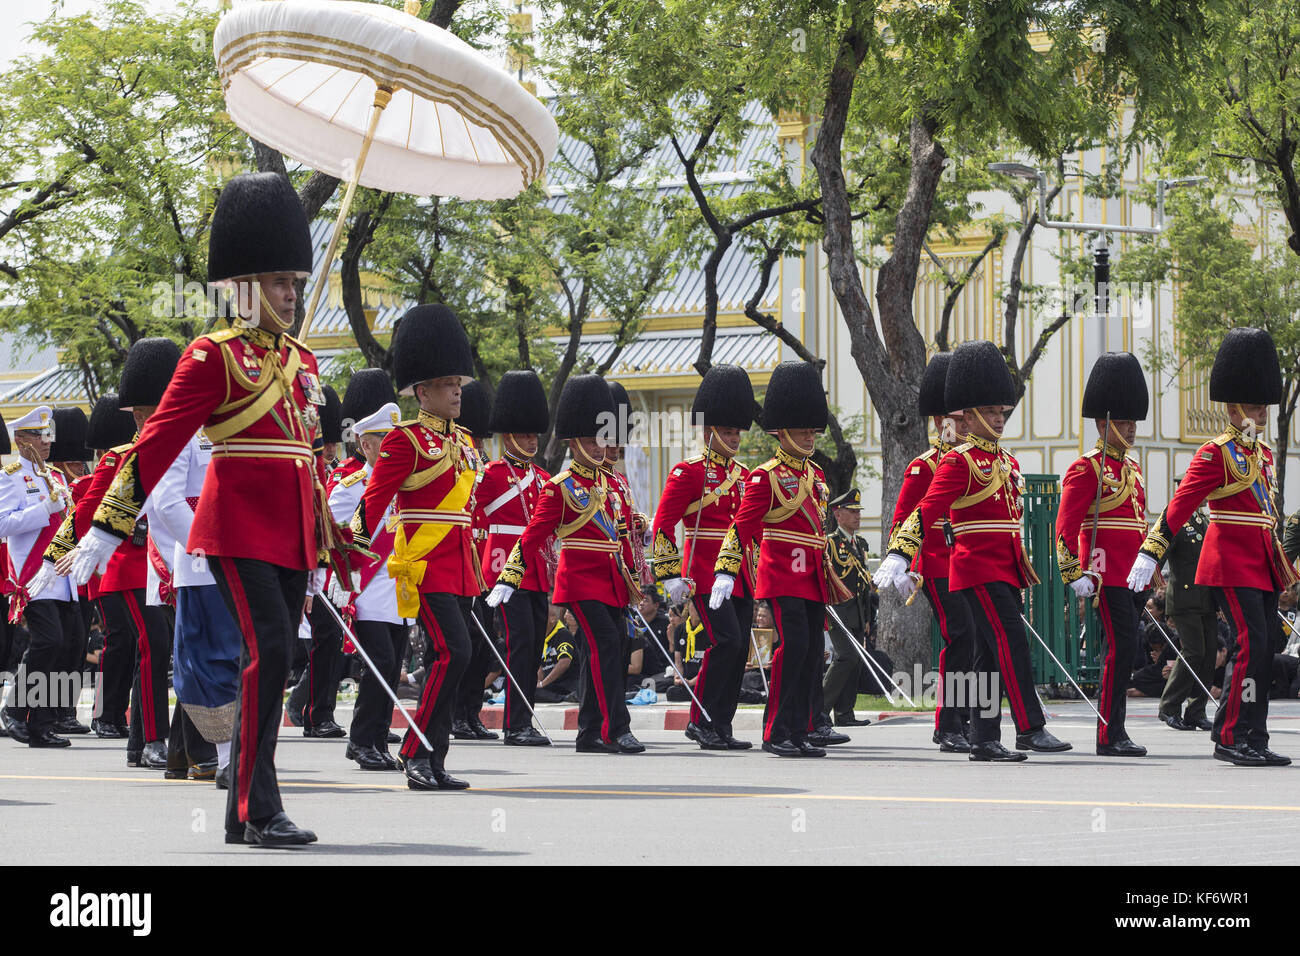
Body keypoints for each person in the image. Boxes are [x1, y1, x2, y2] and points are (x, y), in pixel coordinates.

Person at [66, 172, 339, 846]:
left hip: (289, 537)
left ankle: (243, 810)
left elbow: (306, 463)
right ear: (243, 285)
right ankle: (258, 806)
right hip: (237, 530)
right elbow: (156, 444)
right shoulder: (212, 356)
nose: (290, 292)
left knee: (277, 661)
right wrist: (107, 524)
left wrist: (319, 551)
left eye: (293, 281)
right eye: (277, 280)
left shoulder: (302, 362)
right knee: (267, 652)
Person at [877, 340, 1072, 761]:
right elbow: (924, 510)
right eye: (993, 412)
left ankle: (984, 737)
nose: (1000, 419)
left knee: (984, 654)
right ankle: (1029, 727)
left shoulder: (1006, 462)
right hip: (975, 566)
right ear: (969, 414)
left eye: (1003, 412)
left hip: (1004, 566)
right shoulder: (957, 462)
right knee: (1009, 641)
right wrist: (900, 552)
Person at [1129, 327, 1297, 766]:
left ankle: (1253, 732)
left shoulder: (1260, 456)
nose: (1260, 413)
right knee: (1248, 644)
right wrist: (1151, 551)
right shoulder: (1214, 453)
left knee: (1264, 649)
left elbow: (1267, 517)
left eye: (1263, 405)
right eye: (1255, 405)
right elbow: (1180, 505)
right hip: (1229, 563)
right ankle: (1229, 734)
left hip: (1259, 563)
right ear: (1234, 405)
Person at [352, 304, 482, 791]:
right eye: (447, 384)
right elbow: (374, 499)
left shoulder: (467, 442)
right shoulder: (405, 441)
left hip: (460, 565)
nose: (456, 392)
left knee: (457, 657)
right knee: (454, 652)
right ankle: (417, 751)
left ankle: (434, 757)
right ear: (422, 391)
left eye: (459, 384)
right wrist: (351, 552)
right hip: (423, 565)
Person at [488, 374, 645, 755]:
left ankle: (590, 731)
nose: (599, 445)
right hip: (578, 581)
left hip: (611, 581)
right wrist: (509, 576)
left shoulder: (612, 486)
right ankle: (614, 728)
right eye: (592, 439)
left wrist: (635, 563)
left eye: (601, 438)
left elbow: (621, 535)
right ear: (574, 441)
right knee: (606, 644)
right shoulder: (559, 486)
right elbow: (533, 535)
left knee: (614, 645)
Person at [710, 361, 844, 758]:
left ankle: (800, 727)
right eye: (803, 430)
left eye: (812, 430)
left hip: (813, 576)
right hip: (782, 573)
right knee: (795, 646)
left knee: (810, 653)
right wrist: (725, 569)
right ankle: (776, 730)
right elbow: (742, 526)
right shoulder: (764, 476)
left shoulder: (818, 476)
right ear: (782, 431)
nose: (809, 436)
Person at [651, 364, 757, 749]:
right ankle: (700, 719)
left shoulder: (745, 476)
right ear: (710, 431)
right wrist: (668, 575)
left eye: (736, 431)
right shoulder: (688, 473)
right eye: (728, 431)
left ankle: (722, 725)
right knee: (724, 642)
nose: (734, 438)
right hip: (703, 575)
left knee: (739, 646)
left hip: (739, 572)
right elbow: (662, 525)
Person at [1055, 352, 1150, 757]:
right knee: (1122, 648)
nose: (1130, 428)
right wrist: (1077, 571)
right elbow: (1066, 525)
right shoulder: (1086, 469)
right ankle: (1110, 733)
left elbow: (1139, 524)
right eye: (1123, 421)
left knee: (1127, 649)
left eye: (1132, 421)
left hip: (1135, 575)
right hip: (1107, 575)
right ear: (1103, 423)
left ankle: (1115, 730)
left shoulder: (1133, 469)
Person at [890, 352, 973, 752]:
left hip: (968, 563)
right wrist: (904, 563)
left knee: (975, 640)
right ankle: (948, 722)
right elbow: (904, 518)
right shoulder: (925, 467)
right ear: (939, 422)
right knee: (959, 635)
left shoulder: (975, 462)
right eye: (950, 419)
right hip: (937, 563)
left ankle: (969, 715)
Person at [475, 370, 552, 745]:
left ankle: (524, 717)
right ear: (508, 436)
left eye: (533, 434)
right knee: (518, 642)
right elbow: (473, 521)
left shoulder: (542, 477)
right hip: (503, 569)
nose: (530, 440)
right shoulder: (490, 475)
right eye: (523, 434)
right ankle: (515, 724)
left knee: (534, 646)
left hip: (536, 570)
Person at [330, 399, 406, 771]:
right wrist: (341, 583)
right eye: (385, 439)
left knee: (391, 669)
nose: (394, 445)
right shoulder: (350, 487)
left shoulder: (408, 484)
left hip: (401, 592)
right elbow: (332, 537)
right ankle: (360, 741)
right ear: (367, 445)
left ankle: (377, 740)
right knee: (380, 664)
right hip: (367, 591)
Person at [0, 406, 76, 748]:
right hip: (32, 573)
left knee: (62, 648)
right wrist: (44, 509)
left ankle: (41, 725)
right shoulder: (10, 476)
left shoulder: (56, 478)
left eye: (48, 436)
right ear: (20, 440)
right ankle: (15, 710)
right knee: (48, 642)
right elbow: (4, 525)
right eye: (38, 436)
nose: (46, 443)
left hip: (62, 574)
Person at [290, 383, 347, 739]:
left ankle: (319, 709)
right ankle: (312, 710)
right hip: (314, 568)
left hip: (336, 571)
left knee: (333, 644)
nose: (328, 450)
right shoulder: (331, 475)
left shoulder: (333, 471)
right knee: (322, 642)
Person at [451, 379, 500, 742]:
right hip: (462, 561)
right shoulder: (457, 454)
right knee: (465, 641)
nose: (478, 443)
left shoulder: (479, 460)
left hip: (481, 564)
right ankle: (456, 713)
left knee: (483, 642)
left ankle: (470, 712)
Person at [1156, 491, 1217, 732]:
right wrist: (1149, 586)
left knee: (1208, 654)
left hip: (1207, 598)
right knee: (1193, 652)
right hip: (1183, 597)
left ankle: (1196, 710)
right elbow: (1158, 553)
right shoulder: (1174, 518)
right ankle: (1169, 707)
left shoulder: (1203, 520)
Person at [823, 488, 873, 728]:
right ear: (838, 514)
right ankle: (819, 710)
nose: (857, 516)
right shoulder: (831, 543)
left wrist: (868, 616)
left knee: (856, 660)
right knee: (846, 656)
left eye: (858, 512)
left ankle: (844, 713)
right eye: (851, 512)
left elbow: (863, 584)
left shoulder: (860, 543)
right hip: (838, 609)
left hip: (858, 611)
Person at [535, 605, 578, 703]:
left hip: (567, 683)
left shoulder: (563, 634)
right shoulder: (542, 636)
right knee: (528, 690)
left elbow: (564, 663)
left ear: (552, 619)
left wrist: (543, 684)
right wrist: (538, 682)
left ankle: (565, 698)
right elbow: (540, 664)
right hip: (551, 684)